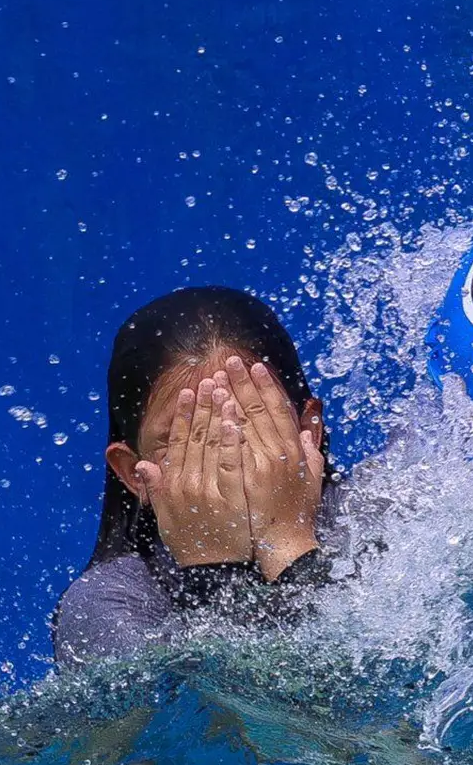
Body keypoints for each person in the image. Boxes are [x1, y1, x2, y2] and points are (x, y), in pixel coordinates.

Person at [53, 286, 342, 668]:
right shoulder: (108, 605)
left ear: (309, 431)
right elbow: (227, 724)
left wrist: (288, 540)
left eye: (252, 425)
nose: (225, 457)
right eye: (188, 440)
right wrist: (214, 565)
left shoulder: (395, 517)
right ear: (132, 473)